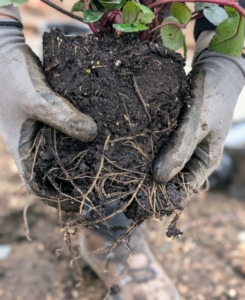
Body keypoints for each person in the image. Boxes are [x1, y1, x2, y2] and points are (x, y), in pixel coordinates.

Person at [0, 4, 245, 300]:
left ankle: (114, 222)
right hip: (82, 21)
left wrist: (227, 58)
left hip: (148, 30)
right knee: (84, 41)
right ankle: (101, 222)